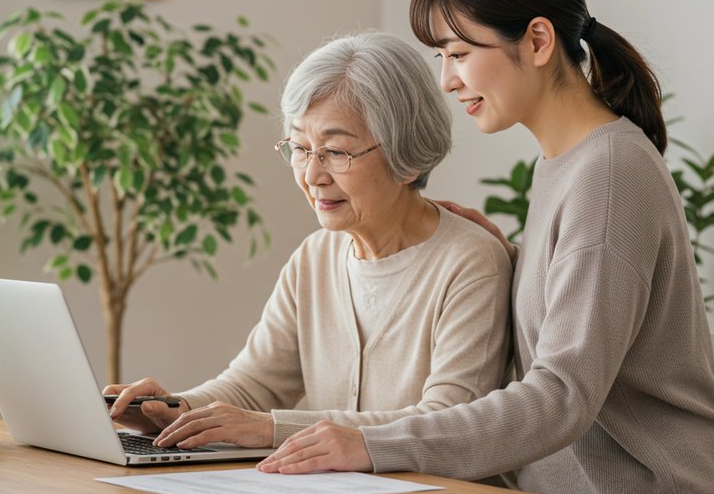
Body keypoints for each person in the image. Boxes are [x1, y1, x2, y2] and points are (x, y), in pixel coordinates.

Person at [257, 0, 714, 494]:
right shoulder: (568, 165)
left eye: (460, 53)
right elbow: (583, 303)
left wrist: (368, 444)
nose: (446, 79)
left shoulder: (609, 174)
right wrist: (517, 259)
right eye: (441, 56)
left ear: (538, 40)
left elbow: (561, 396)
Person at [104, 32, 513, 451]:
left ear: (406, 154)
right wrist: (174, 410)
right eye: (300, 147)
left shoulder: (470, 261)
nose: (312, 176)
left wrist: (270, 429)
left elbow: (447, 420)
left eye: (336, 152)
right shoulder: (315, 257)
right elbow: (253, 385)